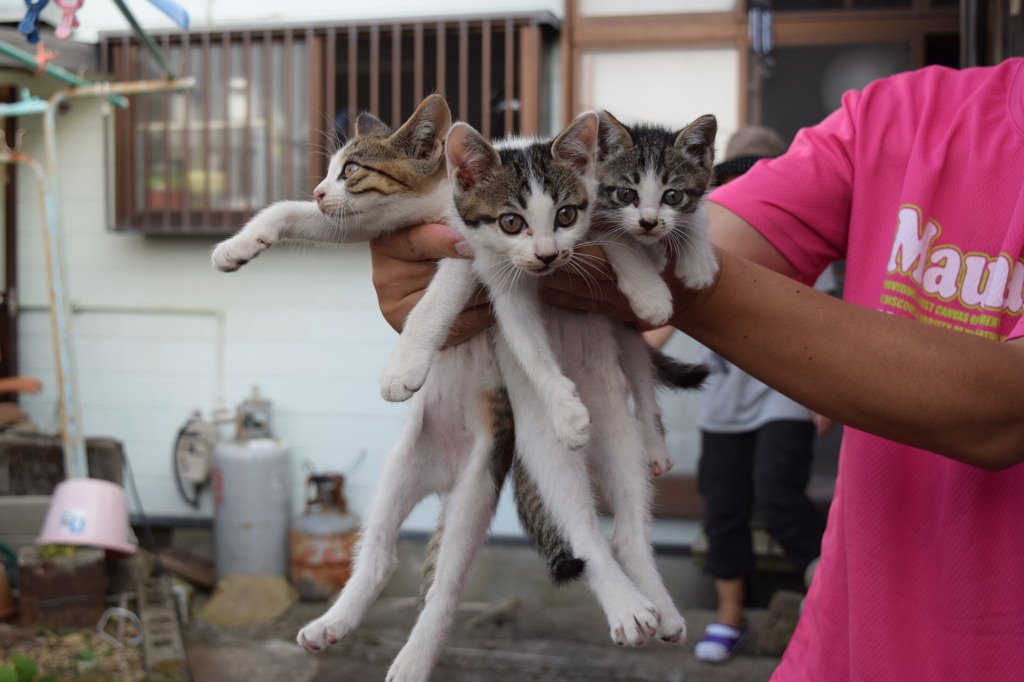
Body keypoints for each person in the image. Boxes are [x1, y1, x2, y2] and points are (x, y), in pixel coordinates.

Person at [368, 60, 1024, 681]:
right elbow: (685, 250)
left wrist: (607, 277)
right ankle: (713, 606)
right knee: (719, 500)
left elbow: (1003, 411)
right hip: (843, 654)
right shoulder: (891, 114)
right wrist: (455, 241)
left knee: (736, 492)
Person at [647, 126, 829, 663]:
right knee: (723, 509)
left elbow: (829, 325)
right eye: (735, 176)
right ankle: (730, 620)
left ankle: (830, 590)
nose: (747, 185)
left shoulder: (810, 238)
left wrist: (826, 396)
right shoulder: (708, 233)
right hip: (724, 399)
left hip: (784, 394)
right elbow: (658, 318)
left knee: (778, 500)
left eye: (760, 174)